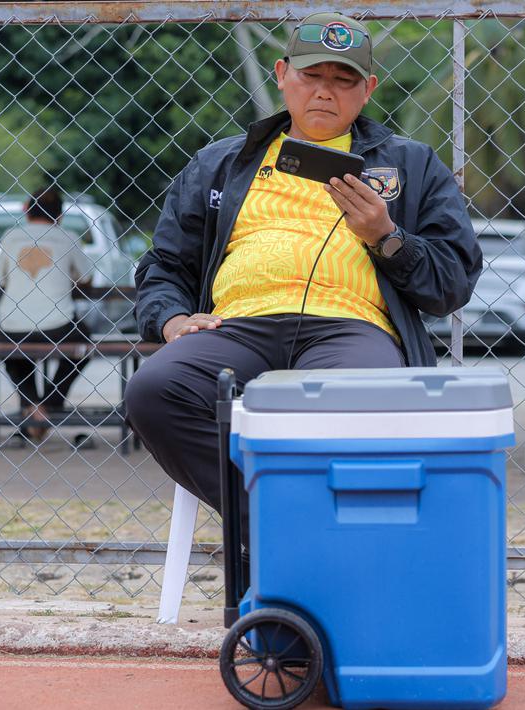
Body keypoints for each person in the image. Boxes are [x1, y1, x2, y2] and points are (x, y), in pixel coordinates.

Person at [125, 12, 480, 520]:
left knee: (360, 400)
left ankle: (277, 541)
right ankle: (283, 528)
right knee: (155, 390)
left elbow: (453, 281)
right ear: (281, 74)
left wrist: (387, 238)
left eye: (343, 81)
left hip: (350, 330)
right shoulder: (221, 163)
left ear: (368, 90)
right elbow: (164, 264)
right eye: (311, 76)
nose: (324, 93)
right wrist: (171, 319)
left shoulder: (411, 164)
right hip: (236, 328)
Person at [0, 187, 92, 439]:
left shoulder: (11, 237)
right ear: (60, 216)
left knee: (12, 349)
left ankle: (33, 405)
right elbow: (86, 278)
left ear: (26, 211)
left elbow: (1, 279)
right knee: (84, 342)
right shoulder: (67, 237)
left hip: (12, 325)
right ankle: (51, 402)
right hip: (58, 324)